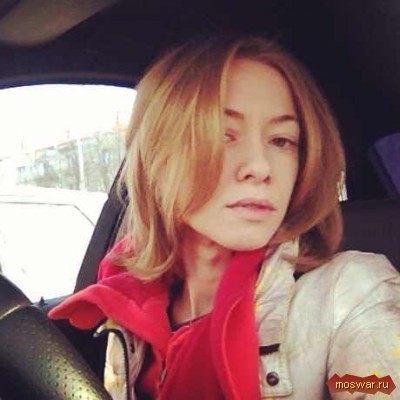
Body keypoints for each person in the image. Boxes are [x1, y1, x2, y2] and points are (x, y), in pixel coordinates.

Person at [50, 35, 400, 400]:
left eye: (281, 141)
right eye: (222, 135)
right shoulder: (127, 311)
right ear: (156, 157)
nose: (260, 167)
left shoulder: (350, 294)